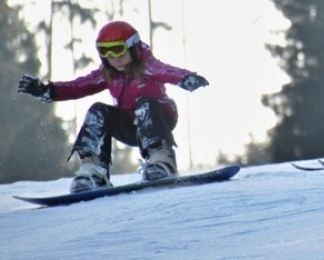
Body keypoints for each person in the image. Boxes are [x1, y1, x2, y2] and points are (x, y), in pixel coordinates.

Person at [17, 20, 210, 192]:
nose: (114, 58)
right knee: (97, 110)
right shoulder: (108, 73)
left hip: (158, 118)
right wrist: (46, 90)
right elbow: (78, 86)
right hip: (129, 125)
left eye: (118, 50)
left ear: (133, 48)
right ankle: (93, 170)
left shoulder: (147, 65)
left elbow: (167, 70)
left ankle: (161, 159)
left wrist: (186, 78)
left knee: (144, 102)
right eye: (105, 52)